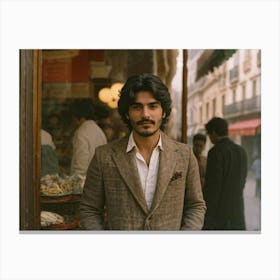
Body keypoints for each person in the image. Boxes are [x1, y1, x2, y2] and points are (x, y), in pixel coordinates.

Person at [80, 73, 206, 230]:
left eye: (153, 106)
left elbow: (196, 206)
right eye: (137, 107)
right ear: (127, 113)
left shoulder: (184, 155)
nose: (145, 114)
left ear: (164, 112)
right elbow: (89, 209)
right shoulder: (104, 156)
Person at [203, 117, 248, 230]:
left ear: (213, 132)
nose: (210, 138)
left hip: (219, 214)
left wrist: (207, 213)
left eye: (209, 134)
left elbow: (213, 187)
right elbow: (243, 181)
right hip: (237, 211)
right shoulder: (242, 151)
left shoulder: (215, 152)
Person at [70, 99, 107, 176]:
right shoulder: (98, 130)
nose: (73, 121)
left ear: (78, 117)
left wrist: (76, 180)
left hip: (85, 180)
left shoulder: (81, 133)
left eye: (73, 118)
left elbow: (81, 162)